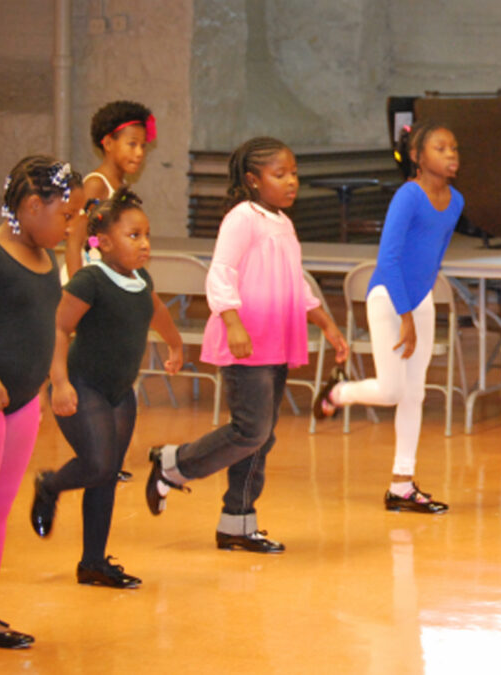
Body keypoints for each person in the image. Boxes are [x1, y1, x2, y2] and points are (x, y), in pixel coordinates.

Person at [147, 137, 348, 553]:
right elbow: (220, 272)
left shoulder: (283, 223)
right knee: (250, 429)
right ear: (254, 180)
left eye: (294, 173)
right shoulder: (243, 217)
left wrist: (325, 321)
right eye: (280, 174)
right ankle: (173, 464)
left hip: (276, 339)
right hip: (246, 342)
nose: (291, 181)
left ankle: (237, 523)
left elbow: (293, 281)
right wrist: (233, 322)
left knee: (262, 435)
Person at [30, 189, 183, 589]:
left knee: (106, 474)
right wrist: (59, 382)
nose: (145, 243)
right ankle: (50, 485)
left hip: (119, 391)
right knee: (97, 464)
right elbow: (58, 328)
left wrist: (176, 343)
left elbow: (157, 310)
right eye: (135, 235)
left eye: (147, 235)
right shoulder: (91, 279)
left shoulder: (141, 278)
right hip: (82, 384)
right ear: (106, 241)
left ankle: (93, 563)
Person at [313, 121, 463, 515]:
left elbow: (434, 258)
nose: (451, 155)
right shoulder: (408, 197)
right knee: (393, 391)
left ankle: (402, 484)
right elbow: (389, 260)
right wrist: (406, 313)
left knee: (416, 392)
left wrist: (420, 304)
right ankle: (339, 392)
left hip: (420, 301)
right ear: (417, 157)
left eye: (455, 149)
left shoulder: (456, 201)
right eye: (441, 148)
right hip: (388, 299)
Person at [0, 156, 83, 649]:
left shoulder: (46, 259)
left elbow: (48, 325)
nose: (69, 225)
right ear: (31, 206)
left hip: (23, 404)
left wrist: (54, 378)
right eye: (63, 215)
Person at [66, 100, 155, 276]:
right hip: (87, 279)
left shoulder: (120, 186)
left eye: (143, 146)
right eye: (132, 144)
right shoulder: (96, 185)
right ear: (108, 143)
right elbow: (73, 244)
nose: (139, 153)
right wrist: (77, 292)